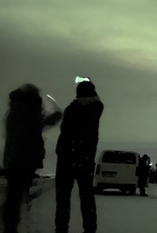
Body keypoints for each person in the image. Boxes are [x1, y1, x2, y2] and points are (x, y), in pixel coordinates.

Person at [3, 83, 62, 233]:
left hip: (13, 158)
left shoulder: (14, 110)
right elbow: (39, 125)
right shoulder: (30, 112)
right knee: (20, 196)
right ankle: (15, 226)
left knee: (13, 196)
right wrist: (56, 115)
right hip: (27, 158)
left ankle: (11, 226)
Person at [55, 79, 103, 233]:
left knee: (63, 198)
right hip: (85, 158)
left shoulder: (73, 109)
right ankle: (90, 229)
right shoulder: (96, 109)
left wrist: (61, 150)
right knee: (87, 196)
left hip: (67, 158)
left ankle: (61, 229)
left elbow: (65, 134)